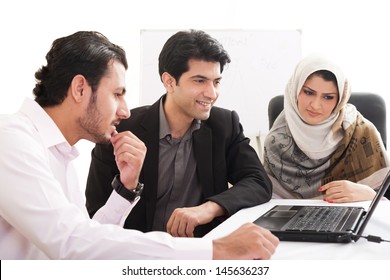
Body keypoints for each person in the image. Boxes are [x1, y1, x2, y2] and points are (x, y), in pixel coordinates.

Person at [0, 31, 279, 259]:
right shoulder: (11, 140)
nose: (124, 111)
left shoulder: (58, 154)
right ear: (80, 88)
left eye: (216, 81)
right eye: (117, 94)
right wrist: (215, 250)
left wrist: (125, 188)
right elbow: (72, 244)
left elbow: (89, 236)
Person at [86, 29, 272, 237]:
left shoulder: (225, 124)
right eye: (199, 81)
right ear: (169, 81)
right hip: (138, 254)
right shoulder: (122, 128)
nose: (212, 93)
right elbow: (96, 214)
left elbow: (258, 182)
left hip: (198, 253)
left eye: (216, 82)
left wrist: (208, 208)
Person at [263, 54, 389, 203]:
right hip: (293, 220)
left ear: (340, 99)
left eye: (328, 97)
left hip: (355, 217)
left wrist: (371, 196)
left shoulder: (361, 131)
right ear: (295, 90)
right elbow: (269, 199)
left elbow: (386, 199)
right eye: (309, 92)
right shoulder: (276, 140)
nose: (315, 105)